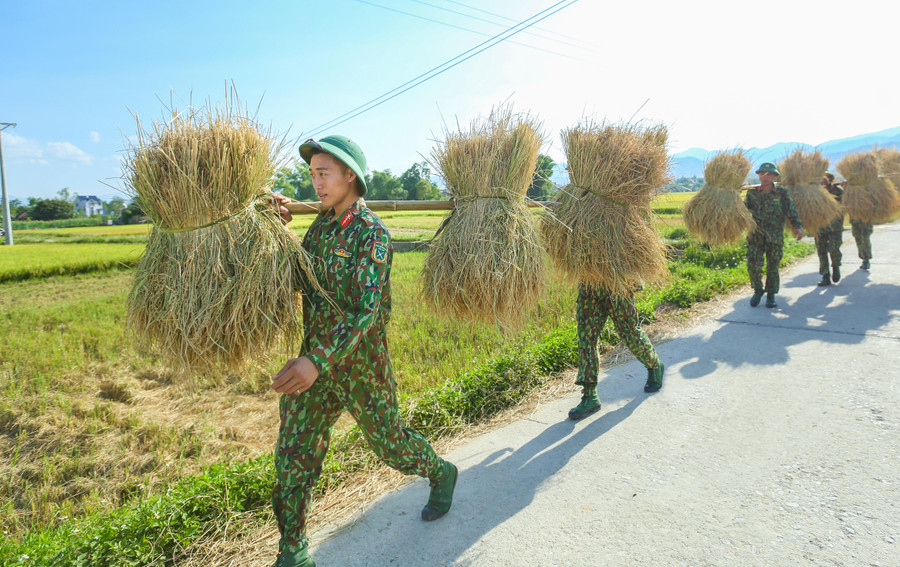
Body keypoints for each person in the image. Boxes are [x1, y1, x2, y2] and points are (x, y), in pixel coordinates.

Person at [268, 135, 457, 567]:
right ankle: (292, 551)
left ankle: (440, 472)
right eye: (312, 174)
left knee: (392, 447)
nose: (316, 183)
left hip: (360, 367)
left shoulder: (371, 234)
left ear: (349, 174)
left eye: (324, 173)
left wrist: (316, 361)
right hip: (314, 365)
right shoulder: (320, 227)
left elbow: (364, 312)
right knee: (293, 454)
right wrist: (277, 231)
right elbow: (299, 278)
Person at [567, 284, 665, 421]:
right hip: (589, 287)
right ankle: (589, 395)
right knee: (586, 339)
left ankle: (654, 365)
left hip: (617, 286)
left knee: (629, 333)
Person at [744, 162, 803, 308]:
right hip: (756, 236)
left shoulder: (781, 192)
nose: (765, 177)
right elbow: (743, 211)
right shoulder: (752, 193)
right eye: (762, 174)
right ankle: (758, 289)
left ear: (774, 176)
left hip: (775, 236)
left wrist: (797, 226)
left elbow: (790, 210)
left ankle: (771, 295)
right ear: (758, 175)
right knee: (753, 264)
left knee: (773, 267)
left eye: (769, 174)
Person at [815, 172, 844, 286]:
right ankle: (825, 275)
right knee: (821, 251)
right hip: (819, 226)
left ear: (829, 179)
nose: (822, 180)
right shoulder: (813, 192)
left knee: (834, 248)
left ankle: (836, 266)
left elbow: (845, 204)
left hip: (834, 226)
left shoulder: (838, 190)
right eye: (819, 178)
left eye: (824, 178)